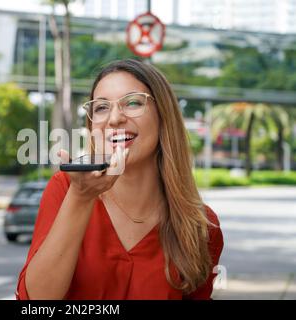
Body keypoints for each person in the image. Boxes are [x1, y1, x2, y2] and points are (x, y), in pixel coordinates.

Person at [15, 59, 224, 300]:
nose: (114, 119)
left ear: (163, 116)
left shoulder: (201, 225)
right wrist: (81, 198)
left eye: (133, 102)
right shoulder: (65, 189)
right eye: (101, 107)